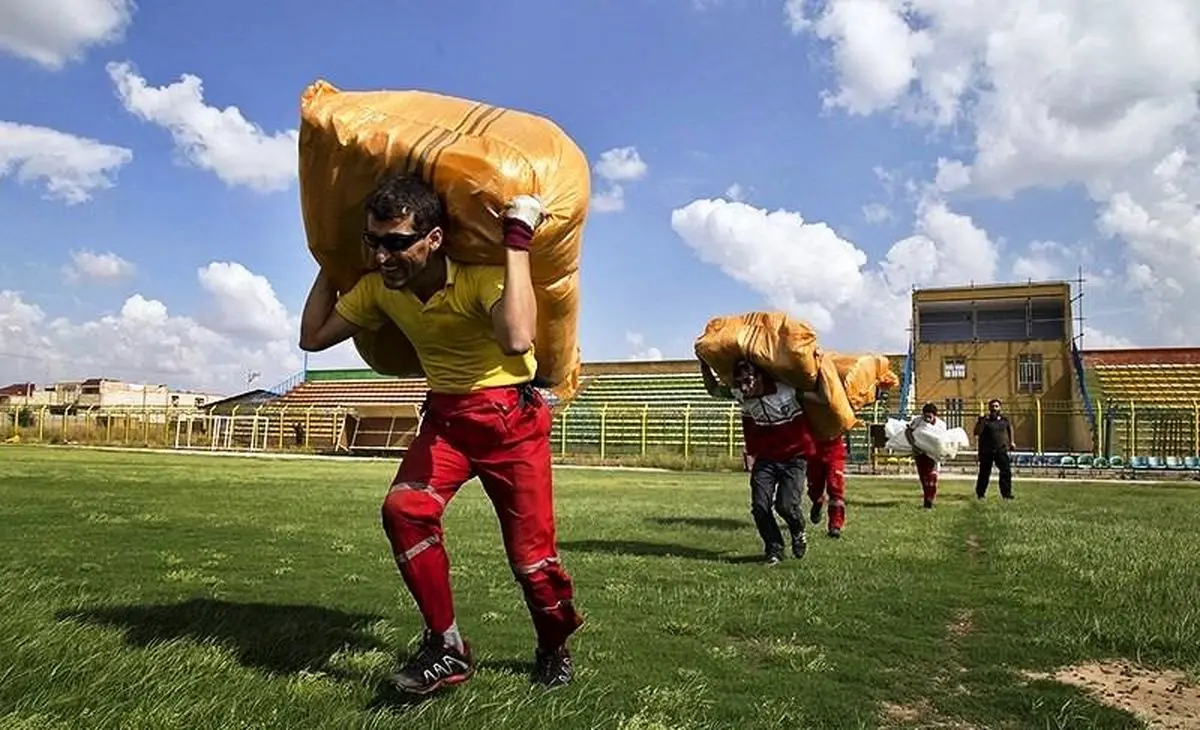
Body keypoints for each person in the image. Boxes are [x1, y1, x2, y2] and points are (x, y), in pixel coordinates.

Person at [298, 174, 583, 695]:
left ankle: (553, 646)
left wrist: (516, 240)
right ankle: (447, 647)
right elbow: (312, 337)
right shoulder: (381, 289)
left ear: (433, 239)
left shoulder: (479, 279)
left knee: (532, 562)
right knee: (403, 511)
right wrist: (331, 260)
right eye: (374, 242)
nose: (384, 256)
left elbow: (519, 338)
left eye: (397, 243)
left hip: (511, 424)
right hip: (447, 422)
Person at [700, 358, 815, 565]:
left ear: (761, 377)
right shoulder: (741, 395)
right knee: (760, 506)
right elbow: (712, 389)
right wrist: (704, 364)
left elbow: (820, 395)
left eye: (748, 380)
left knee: (786, 506)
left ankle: (798, 531)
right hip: (766, 459)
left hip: (794, 457)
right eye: (740, 381)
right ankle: (774, 550)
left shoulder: (786, 390)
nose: (744, 386)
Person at [806, 431, 848, 538]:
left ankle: (835, 524)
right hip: (814, 449)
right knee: (814, 485)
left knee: (835, 487)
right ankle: (817, 501)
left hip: (835, 450)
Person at [974, 398, 1015, 500]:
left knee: (1006, 471)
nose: (994, 409)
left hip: (1000, 450)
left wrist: (1012, 442)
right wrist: (981, 422)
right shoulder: (985, 420)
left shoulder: (1004, 421)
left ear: (1000, 408)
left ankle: (1006, 494)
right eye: (992, 407)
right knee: (984, 473)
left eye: (996, 406)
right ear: (989, 408)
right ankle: (981, 494)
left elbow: (1010, 429)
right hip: (987, 451)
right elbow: (977, 432)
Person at [905, 402, 944, 509]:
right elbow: (908, 431)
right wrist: (913, 445)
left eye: (929, 416)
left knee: (932, 477)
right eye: (925, 416)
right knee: (924, 477)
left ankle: (930, 499)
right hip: (920, 453)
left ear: (934, 415)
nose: (927, 418)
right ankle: (927, 498)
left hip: (933, 454)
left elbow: (943, 439)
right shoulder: (917, 421)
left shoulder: (941, 424)